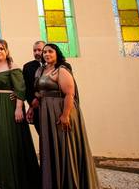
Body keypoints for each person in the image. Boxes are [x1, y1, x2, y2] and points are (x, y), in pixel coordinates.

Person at [29, 43, 99, 189]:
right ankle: (53, 181)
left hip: (60, 110)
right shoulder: (41, 70)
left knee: (64, 145)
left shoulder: (61, 70)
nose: (47, 54)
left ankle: (68, 182)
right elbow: (40, 91)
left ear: (57, 54)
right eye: (45, 52)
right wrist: (32, 105)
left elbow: (69, 94)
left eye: (50, 51)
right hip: (46, 112)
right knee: (51, 146)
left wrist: (65, 115)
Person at [0, 40, 39, 189]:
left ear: (7, 50)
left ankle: (12, 177)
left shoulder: (13, 67)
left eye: (1, 48)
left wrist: (18, 108)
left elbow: (20, 89)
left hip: (9, 106)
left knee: (7, 138)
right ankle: (0, 177)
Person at [22, 40, 45, 134]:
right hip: (36, 107)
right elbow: (27, 87)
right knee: (42, 134)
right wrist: (32, 102)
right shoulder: (28, 67)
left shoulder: (55, 66)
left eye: (39, 50)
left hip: (52, 104)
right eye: (34, 50)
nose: (36, 53)